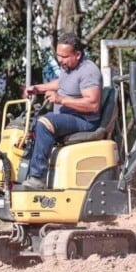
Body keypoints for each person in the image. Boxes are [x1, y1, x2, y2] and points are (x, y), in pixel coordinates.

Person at [21, 32, 102, 189]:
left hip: (85, 121)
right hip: (68, 116)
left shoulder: (89, 71)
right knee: (28, 124)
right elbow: (63, 83)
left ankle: (37, 178)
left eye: (64, 57)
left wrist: (61, 100)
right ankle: (23, 173)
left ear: (77, 54)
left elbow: (93, 104)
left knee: (45, 123)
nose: (60, 60)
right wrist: (38, 88)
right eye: (58, 55)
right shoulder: (69, 67)